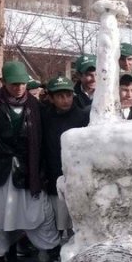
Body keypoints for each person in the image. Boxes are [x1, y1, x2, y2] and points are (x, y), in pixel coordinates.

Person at [0, 62, 60, 262]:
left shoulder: (37, 108)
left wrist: (42, 171)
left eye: (23, 83)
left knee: (40, 215)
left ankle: (52, 256)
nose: (19, 88)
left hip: (28, 173)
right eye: (14, 84)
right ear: (3, 82)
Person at [40, 75, 90, 248]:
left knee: (76, 220)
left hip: (76, 178)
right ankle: (54, 252)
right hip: (53, 176)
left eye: (68, 95)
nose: (65, 100)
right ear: (51, 98)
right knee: (57, 220)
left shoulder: (82, 117)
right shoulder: (45, 117)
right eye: (60, 96)